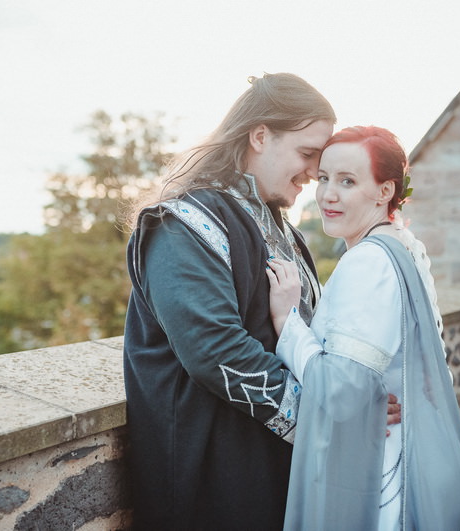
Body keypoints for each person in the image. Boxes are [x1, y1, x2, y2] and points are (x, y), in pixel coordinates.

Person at [123, 73, 401, 530]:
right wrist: (337, 418)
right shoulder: (182, 224)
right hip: (214, 478)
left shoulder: (282, 230)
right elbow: (216, 351)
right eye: (307, 154)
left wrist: (353, 396)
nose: (315, 173)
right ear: (260, 136)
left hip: (276, 472)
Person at [266, 125, 460, 530]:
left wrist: (286, 322)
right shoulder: (402, 245)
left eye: (348, 181)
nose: (328, 194)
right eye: (324, 178)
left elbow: (341, 392)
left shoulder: (368, 262)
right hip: (405, 451)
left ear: (385, 191)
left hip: (380, 474)